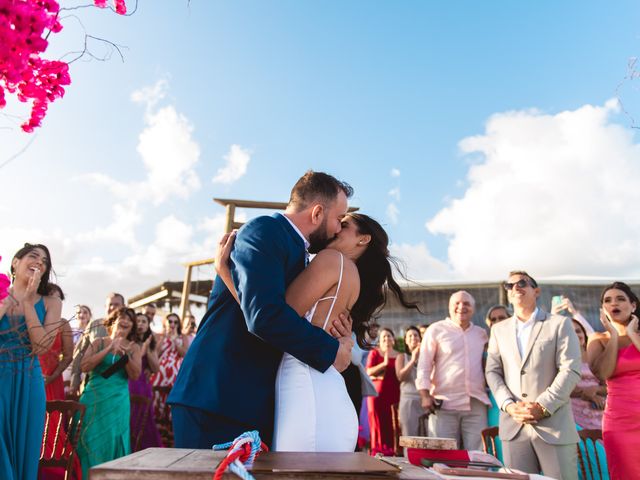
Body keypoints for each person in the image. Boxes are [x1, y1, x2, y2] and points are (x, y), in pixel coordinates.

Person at [168, 171, 356, 448]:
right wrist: (330, 351)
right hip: (218, 395)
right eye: (338, 219)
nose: (338, 229)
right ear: (317, 213)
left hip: (250, 400)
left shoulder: (301, 254)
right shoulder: (263, 232)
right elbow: (264, 316)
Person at [217, 212, 419, 451]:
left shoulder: (331, 259)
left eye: (344, 225)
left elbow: (276, 318)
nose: (335, 230)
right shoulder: (353, 276)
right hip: (326, 390)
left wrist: (225, 272)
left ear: (363, 239)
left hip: (306, 388)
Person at [485, 271, 581, 480]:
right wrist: (509, 405)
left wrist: (543, 406)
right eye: (509, 286)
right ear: (508, 294)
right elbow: (492, 371)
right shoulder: (498, 330)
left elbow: (570, 369)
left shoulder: (559, 324)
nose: (516, 287)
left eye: (522, 283)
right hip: (514, 426)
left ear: (536, 291)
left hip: (553, 425)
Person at [0, 243, 62, 480]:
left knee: (25, 449)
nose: (39, 262)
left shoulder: (51, 303)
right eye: (33, 256)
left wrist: (27, 302)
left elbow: (41, 347)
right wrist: (6, 300)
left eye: (44, 261)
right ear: (15, 262)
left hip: (28, 379)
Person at [416, 291, 490, 450]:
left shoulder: (481, 334)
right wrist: (425, 395)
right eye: (457, 303)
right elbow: (424, 364)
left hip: (475, 404)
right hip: (444, 404)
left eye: (467, 304)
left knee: (478, 456)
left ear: (473, 309)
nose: (461, 307)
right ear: (449, 307)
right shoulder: (436, 330)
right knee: (443, 456)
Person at [76, 306, 142, 479]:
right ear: (113, 321)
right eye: (122, 316)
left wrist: (124, 356)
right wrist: (108, 348)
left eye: (130, 318)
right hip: (93, 398)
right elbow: (84, 366)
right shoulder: (98, 342)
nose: (125, 320)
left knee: (114, 440)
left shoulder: (134, 348)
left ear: (132, 326)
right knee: (88, 439)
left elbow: (135, 375)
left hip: (117, 401)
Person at [587, 282, 640, 480]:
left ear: (633, 305)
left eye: (620, 299)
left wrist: (633, 334)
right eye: (608, 300)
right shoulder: (598, 339)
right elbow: (603, 373)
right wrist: (614, 335)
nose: (614, 303)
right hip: (620, 422)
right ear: (603, 309)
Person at [38, 284, 79, 480]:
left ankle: (55, 471)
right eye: (50, 296)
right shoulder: (35, 319)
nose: (55, 301)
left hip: (52, 381)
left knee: (53, 426)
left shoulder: (63, 324)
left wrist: (52, 376)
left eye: (58, 298)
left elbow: (68, 355)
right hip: (31, 377)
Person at [69, 292, 125, 395]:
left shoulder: (128, 326)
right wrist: (74, 382)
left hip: (119, 384)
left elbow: (133, 355)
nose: (112, 307)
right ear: (105, 307)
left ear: (123, 306)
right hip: (92, 382)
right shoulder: (95, 325)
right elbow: (79, 353)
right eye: (110, 304)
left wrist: (105, 377)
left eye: (116, 304)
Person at [129, 312, 163, 450]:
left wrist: (149, 348)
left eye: (144, 321)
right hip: (130, 382)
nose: (141, 324)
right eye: (138, 321)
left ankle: (143, 448)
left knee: (145, 418)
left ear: (148, 325)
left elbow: (155, 368)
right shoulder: (129, 341)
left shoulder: (151, 343)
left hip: (144, 385)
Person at [366, 327, 400, 455]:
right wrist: (384, 364)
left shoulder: (399, 355)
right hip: (377, 396)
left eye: (389, 336)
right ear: (379, 341)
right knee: (378, 425)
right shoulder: (375, 353)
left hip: (394, 395)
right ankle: (377, 452)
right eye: (383, 337)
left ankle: (393, 452)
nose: (387, 339)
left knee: (393, 424)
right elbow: (368, 371)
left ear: (394, 339)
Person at [150, 312, 187, 421]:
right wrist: (164, 338)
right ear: (165, 322)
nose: (172, 324)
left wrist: (175, 340)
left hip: (176, 369)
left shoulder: (182, 337)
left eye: (175, 322)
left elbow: (185, 354)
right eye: (170, 321)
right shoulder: (158, 336)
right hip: (161, 370)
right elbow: (155, 353)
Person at [395, 326, 422, 438]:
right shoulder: (402, 356)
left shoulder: (426, 355)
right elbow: (400, 376)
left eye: (416, 335)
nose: (413, 338)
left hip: (424, 401)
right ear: (405, 340)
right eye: (410, 336)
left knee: (425, 437)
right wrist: (413, 360)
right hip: (409, 400)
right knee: (410, 437)